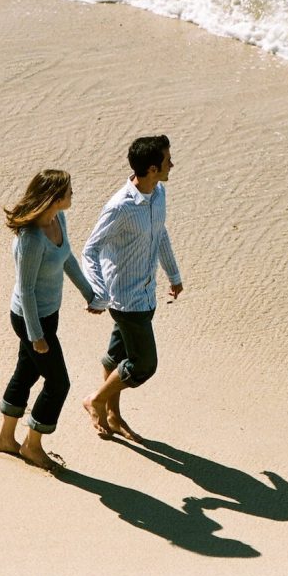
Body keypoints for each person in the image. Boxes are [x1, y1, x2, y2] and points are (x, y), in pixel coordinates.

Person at [0, 169, 104, 470]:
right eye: (69, 191)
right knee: (58, 383)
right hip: (30, 319)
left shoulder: (58, 219)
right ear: (54, 198)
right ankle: (32, 446)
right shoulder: (30, 239)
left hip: (47, 315)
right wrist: (36, 336)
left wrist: (89, 294)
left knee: (26, 373)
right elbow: (27, 290)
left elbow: (66, 256)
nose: (73, 195)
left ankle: (6, 439)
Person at [81, 135, 183, 442]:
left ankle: (113, 415)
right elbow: (90, 249)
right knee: (144, 365)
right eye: (167, 161)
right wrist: (98, 293)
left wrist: (173, 274)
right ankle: (95, 400)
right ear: (152, 168)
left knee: (117, 356)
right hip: (125, 298)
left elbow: (159, 233)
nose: (172, 164)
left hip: (147, 291)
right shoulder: (120, 207)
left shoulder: (158, 193)